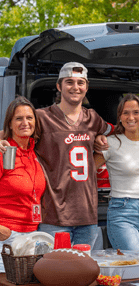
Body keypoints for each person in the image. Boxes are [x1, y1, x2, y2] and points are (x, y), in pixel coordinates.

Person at [0, 62, 114, 248]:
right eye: (69, 82)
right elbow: (15, 129)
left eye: (80, 82)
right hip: (54, 216)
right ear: (59, 86)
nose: (75, 87)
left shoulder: (93, 118)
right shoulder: (41, 117)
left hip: (88, 214)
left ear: (86, 87)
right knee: (55, 272)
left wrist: (101, 139)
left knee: (85, 271)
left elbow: (119, 131)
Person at [94, 94, 139, 254]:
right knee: (136, 261)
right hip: (122, 211)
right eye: (125, 113)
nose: (130, 117)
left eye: (136, 112)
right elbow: (87, 171)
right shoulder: (110, 143)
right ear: (119, 117)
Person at [0, 96, 46, 272]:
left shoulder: (34, 153)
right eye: (18, 118)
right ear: (9, 124)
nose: (25, 122)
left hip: (32, 237)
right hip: (6, 237)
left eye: (29, 118)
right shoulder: (4, 152)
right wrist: (3, 232)